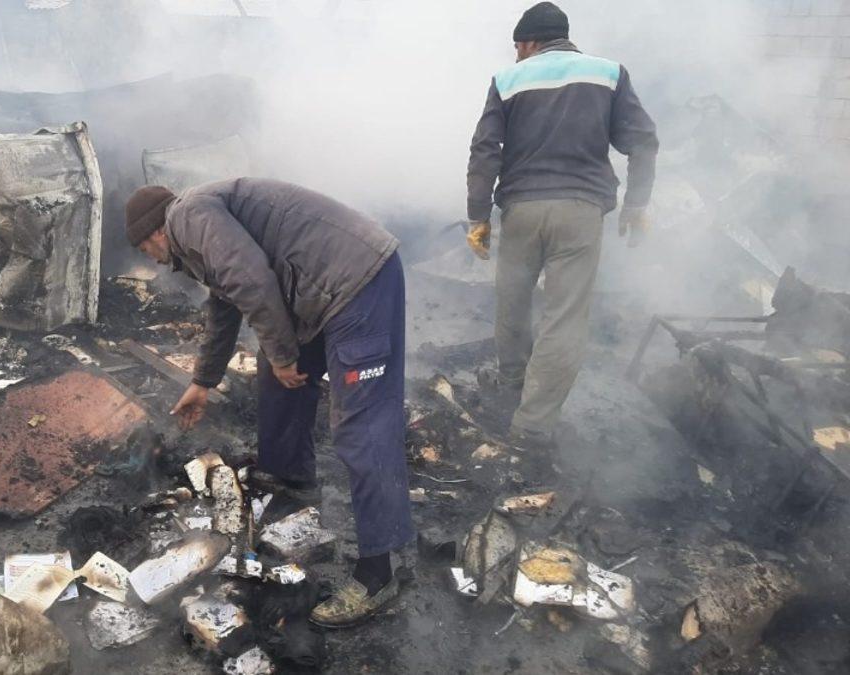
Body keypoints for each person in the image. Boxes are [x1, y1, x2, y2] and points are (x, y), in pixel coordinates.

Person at [125, 178, 413, 626]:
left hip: (358, 284)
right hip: (322, 290)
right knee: (276, 376)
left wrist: (283, 356)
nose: (151, 258)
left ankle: (380, 572)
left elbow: (252, 281)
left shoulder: (188, 217)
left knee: (363, 426)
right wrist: (203, 382)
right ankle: (291, 479)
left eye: (145, 249)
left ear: (155, 232)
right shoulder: (196, 229)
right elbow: (225, 303)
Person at [465, 1, 659, 448]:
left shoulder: (507, 80)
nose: (517, 55)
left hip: (522, 211)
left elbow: (485, 150)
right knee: (564, 317)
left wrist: (478, 216)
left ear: (530, 42)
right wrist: (635, 204)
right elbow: (642, 142)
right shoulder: (609, 74)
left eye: (518, 47)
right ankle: (532, 426)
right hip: (580, 212)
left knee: (512, 301)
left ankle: (512, 387)